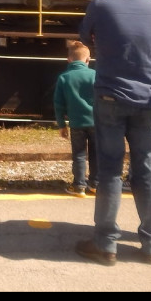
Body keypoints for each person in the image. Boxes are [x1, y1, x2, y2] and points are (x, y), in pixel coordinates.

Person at [75, 0, 151, 266]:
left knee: (111, 171)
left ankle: (106, 244)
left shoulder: (101, 6)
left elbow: (84, 36)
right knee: (146, 172)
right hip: (147, 100)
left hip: (111, 97)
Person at [54, 40, 97, 197]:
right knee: (96, 153)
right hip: (96, 122)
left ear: (69, 59)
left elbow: (58, 104)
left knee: (79, 155)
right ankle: (96, 184)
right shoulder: (95, 75)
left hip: (77, 123)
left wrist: (61, 125)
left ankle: (79, 186)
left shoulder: (64, 78)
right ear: (88, 60)